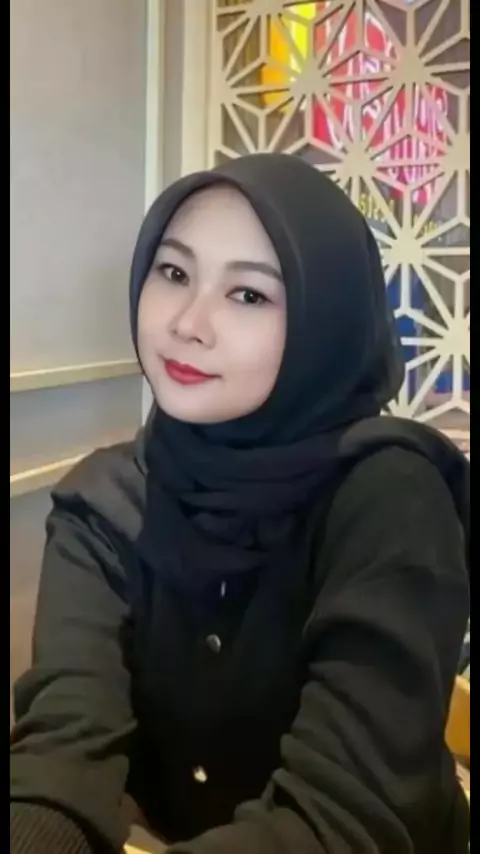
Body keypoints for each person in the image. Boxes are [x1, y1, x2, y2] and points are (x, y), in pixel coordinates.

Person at [10, 153, 470, 853]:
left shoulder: (390, 502)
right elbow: (62, 752)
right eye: (174, 273)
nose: (189, 323)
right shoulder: (104, 502)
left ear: (324, 323)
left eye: (249, 295)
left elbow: (342, 820)